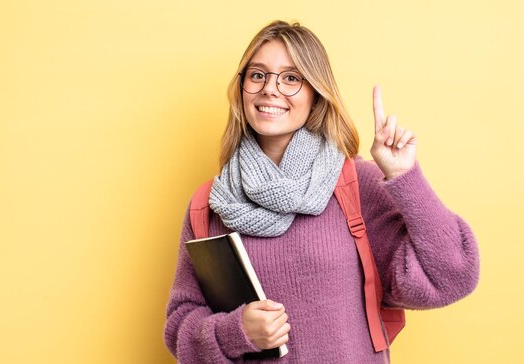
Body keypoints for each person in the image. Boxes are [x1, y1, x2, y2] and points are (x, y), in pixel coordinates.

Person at [164, 20, 479, 363]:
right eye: (258, 75)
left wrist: (405, 177)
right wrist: (235, 333)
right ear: (242, 89)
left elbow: (453, 275)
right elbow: (180, 324)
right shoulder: (212, 203)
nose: (271, 89)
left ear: (315, 94)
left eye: (291, 78)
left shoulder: (356, 185)